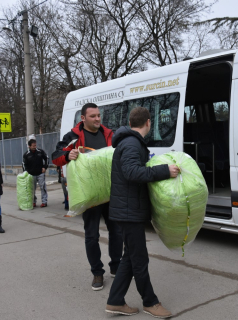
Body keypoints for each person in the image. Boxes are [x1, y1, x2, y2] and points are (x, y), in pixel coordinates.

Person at [105, 107, 179, 318]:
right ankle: (150, 302)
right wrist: (165, 170)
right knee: (140, 260)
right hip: (129, 211)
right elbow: (131, 172)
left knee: (130, 257)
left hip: (129, 209)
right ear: (148, 122)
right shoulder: (131, 143)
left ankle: (115, 301)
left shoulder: (130, 142)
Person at [52, 102, 122, 291]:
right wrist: (69, 155)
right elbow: (56, 156)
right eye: (93, 116)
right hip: (89, 195)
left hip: (110, 192)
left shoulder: (109, 134)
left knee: (116, 232)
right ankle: (97, 273)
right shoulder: (73, 136)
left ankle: (116, 267)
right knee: (92, 236)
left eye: (99, 115)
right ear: (83, 118)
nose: (98, 119)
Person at [22, 139, 49, 207]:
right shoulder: (26, 154)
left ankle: (44, 202)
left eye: (35, 145)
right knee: (32, 189)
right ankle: (33, 201)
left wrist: (45, 167)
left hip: (40, 173)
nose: (34, 147)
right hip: (31, 175)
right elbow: (24, 164)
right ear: (29, 146)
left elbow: (47, 158)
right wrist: (26, 172)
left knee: (43, 187)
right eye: (33, 146)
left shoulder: (40, 152)